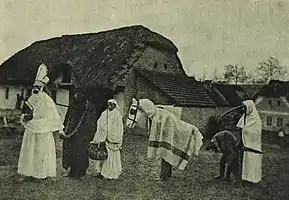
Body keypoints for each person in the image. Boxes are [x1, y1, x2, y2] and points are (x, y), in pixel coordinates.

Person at [17, 63, 64, 181]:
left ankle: (41, 174)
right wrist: (25, 117)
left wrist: (60, 129)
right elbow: (26, 111)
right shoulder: (31, 98)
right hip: (32, 128)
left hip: (43, 129)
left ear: (42, 88)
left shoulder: (47, 100)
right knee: (30, 151)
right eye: (34, 87)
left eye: (38, 87)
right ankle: (29, 174)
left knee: (41, 152)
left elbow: (54, 115)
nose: (36, 89)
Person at [61, 91, 96, 179]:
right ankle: (71, 171)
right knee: (70, 152)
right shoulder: (73, 104)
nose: (77, 96)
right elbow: (68, 117)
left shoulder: (88, 107)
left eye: (79, 94)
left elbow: (90, 122)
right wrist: (65, 129)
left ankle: (81, 173)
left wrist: (88, 135)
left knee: (81, 153)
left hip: (82, 134)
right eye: (76, 94)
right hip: (71, 133)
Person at [91, 99, 124, 179]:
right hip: (103, 138)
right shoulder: (104, 113)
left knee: (111, 156)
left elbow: (119, 128)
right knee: (102, 155)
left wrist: (111, 136)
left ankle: (110, 173)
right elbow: (99, 124)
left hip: (112, 139)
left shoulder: (117, 115)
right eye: (109, 104)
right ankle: (101, 172)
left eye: (112, 105)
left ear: (115, 106)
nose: (110, 106)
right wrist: (102, 135)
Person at [237, 100, 262, 184]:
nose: (244, 110)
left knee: (252, 161)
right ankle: (244, 178)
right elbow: (240, 126)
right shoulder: (244, 117)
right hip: (244, 142)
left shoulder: (256, 119)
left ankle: (252, 179)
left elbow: (254, 132)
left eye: (245, 108)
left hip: (253, 145)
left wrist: (244, 129)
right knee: (244, 161)